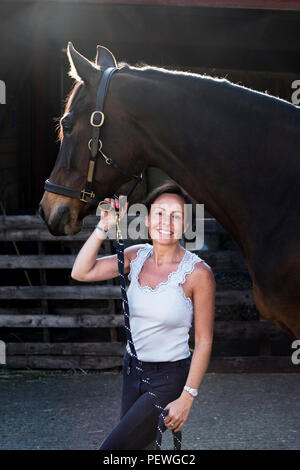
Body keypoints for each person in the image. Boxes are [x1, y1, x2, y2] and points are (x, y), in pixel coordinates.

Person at [71, 181, 216, 450]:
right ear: (148, 219)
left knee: (113, 450)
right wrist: (104, 225)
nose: (166, 222)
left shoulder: (198, 273)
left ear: (185, 225)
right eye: (160, 213)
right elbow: (81, 272)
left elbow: (204, 340)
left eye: (176, 216)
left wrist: (187, 397)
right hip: (132, 371)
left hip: (169, 377)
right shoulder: (134, 256)